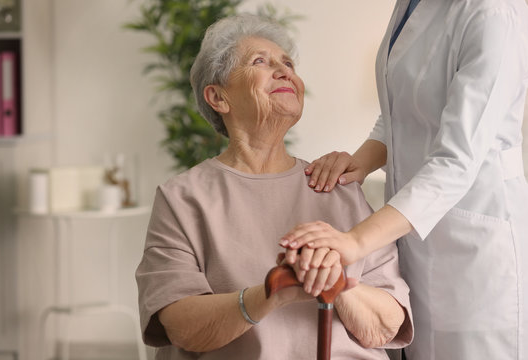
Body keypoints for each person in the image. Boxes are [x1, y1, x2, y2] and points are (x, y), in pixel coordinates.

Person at [135, 14, 413, 360]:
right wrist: (271, 293)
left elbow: (389, 322)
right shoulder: (183, 198)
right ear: (219, 98)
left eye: (288, 63)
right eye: (260, 62)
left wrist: (336, 284)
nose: (286, 73)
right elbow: (180, 325)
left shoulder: (335, 186)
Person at [279, 0, 528, 359]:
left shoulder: (493, 10)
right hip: (414, 237)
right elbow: (401, 110)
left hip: (475, 251)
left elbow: (456, 161)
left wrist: (355, 241)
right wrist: (359, 162)